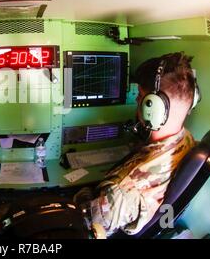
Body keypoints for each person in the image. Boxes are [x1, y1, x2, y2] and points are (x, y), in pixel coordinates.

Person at [74, 52, 198, 237]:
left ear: (153, 107)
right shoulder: (188, 140)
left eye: (140, 96)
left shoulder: (121, 195)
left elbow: (82, 225)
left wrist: (79, 195)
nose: (137, 101)